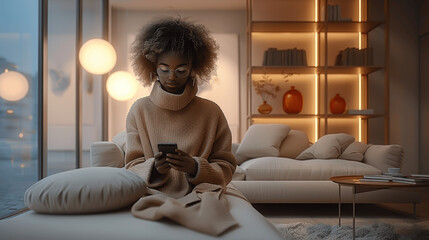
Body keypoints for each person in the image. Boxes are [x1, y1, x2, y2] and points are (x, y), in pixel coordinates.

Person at [124, 17, 237, 200]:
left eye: (181, 70)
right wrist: (154, 169)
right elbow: (131, 167)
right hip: (152, 194)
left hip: (201, 195)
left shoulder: (212, 112)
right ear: (153, 67)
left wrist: (195, 168)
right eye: (164, 68)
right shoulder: (139, 110)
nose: (172, 76)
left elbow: (227, 168)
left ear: (193, 69)